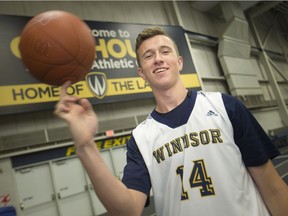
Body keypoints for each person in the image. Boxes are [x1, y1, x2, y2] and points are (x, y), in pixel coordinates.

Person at [54, 27, 288, 216]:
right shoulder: (141, 138)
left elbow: (274, 189)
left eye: (164, 51)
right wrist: (85, 146)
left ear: (179, 62)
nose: (158, 59)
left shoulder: (225, 107)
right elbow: (127, 210)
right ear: (141, 73)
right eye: (148, 56)